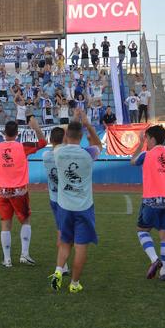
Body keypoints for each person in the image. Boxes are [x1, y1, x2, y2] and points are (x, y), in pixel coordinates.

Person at [50, 109, 102, 293]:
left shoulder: (58, 153)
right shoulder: (89, 153)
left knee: (65, 243)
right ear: (81, 136)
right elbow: (99, 145)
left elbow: (64, 136)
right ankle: (74, 284)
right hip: (83, 207)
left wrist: (73, 120)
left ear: (66, 135)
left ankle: (57, 272)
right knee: (80, 247)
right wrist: (87, 124)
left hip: (64, 206)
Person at [0, 118, 47, 267]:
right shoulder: (22, 146)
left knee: (5, 224)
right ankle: (24, 255)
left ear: (5, 133)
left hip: (3, 191)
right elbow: (43, 143)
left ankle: (7, 259)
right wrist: (36, 128)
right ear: (17, 133)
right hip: (20, 191)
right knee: (25, 221)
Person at [130, 125, 165, 281]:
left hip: (151, 199)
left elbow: (133, 161)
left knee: (142, 230)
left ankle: (154, 259)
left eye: (147, 138)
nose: (146, 141)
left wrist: (139, 144)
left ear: (152, 138)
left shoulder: (146, 155)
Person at [44, 127, 71, 289]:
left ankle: (64, 266)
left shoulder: (45, 155)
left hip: (53, 199)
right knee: (67, 235)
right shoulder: (66, 155)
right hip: (65, 199)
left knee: (61, 231)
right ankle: (62, 267)